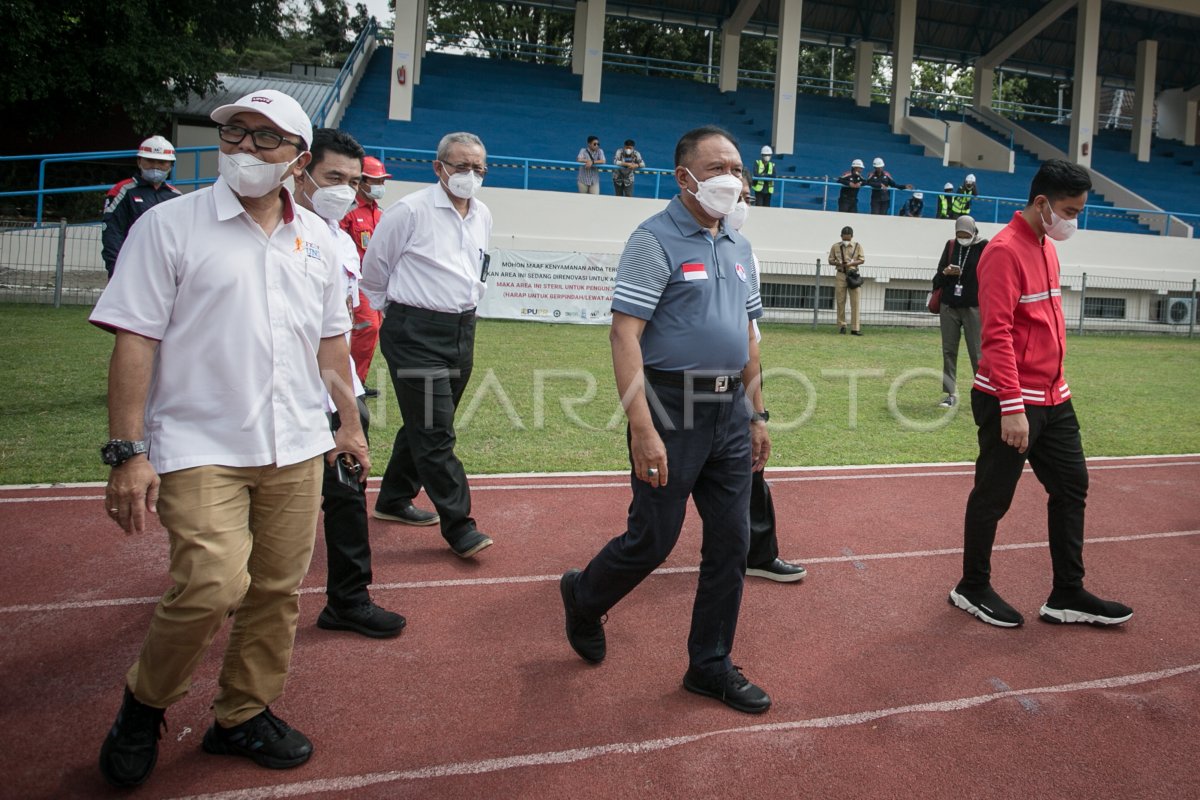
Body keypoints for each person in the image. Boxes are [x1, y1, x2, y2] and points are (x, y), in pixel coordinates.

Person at [91, 89, 369, 789]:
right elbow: (134, 338)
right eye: (236, 133)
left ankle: (241, 714)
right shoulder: (170, 226)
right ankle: (144, 704)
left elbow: (332, 349)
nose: (245, 148)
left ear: (299, 160)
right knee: (214, 583)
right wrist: (127, 452)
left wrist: (351, 428)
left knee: (276, 590)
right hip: (198, 440)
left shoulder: (319, 241)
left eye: (266, 139)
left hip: (297, 443)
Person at [559, 126, 773, 714]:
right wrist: (641, 426)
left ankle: (709, 665)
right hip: (670, 408)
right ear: (684, 178)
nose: (734, 178)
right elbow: (624, 333)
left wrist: (757, 413)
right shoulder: (654, 239)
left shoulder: (738, 243)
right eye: (718, 167)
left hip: (730, 412)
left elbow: (750, 335)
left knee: (732, 544)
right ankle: (584, 595)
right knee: (653, 538)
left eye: (738, 166)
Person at [949, 158, 1132, 629]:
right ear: (1042, 203)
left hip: (1055, 398)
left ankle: (1067, 593)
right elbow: (998, 335)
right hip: (1010, 400)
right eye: (1070, 211)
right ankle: (971, 586)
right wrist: (1012, 407)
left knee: (1072, 487)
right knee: (993, 497)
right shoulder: (1004, 251)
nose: (1073, 221)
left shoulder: (1046, 246)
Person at [294, 129, 406, 639]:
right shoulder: (268, 232)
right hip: (272, 399)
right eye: (333, 177)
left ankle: (348, 599)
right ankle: (236, 589)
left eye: (353, 180)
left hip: (334, 393)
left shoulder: (340, 239)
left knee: (345, 501)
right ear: (301, 170)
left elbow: (337, 329)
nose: (345, 189)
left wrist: (350, 408)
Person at [361, 132, 493, 558]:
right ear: (439, 168)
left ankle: (393, 498)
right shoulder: (410, 211)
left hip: (461, 331)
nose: (469, 175)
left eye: (478, 168)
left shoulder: (483, 215)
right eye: (460, 166)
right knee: (436, 432)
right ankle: (461, 526)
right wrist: (402, 318)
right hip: (414, 332)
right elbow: (374, 273)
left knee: (426, 423)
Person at [733, 172, 807, 583]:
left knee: (751, 468)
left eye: (748, 196)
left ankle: (757, 552)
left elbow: (750, 337)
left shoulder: (748, 254)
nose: (742, 204)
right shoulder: (663, 243)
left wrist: (757, 413)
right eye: (736, 195)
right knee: (663, 502)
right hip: (680, 385)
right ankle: (640, 548)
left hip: (737, 376)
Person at [341, 155, 391, 396]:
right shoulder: (347, 212)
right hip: (355, 282)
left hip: (374, 284)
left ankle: (357, 380)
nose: (379, 186)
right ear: (360, 182)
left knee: (371, 332)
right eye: (375, 181)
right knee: (366, 328)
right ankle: (350, 382)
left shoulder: (379, 214)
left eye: (382, 181)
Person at [101, 136, 182, 278]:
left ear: (171, 165)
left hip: (165, 273)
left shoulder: (176, 196)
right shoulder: (123, 191)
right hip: (130, 270)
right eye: (150, 161)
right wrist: (117, 271)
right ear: (139, 161)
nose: (156, 166)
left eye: (162, 162)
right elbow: (112, 233)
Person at [932, 215, 986, 408]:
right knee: (948, 350)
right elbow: (937, 278)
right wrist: (946, 273)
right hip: (949, 306)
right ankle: (950, 394)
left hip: (973, 307)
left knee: (977, 352)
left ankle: (982, 395)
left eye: (966, 234)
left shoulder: (984, 247)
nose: (962, 237)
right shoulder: (951, 246)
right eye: (959, 234)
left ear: (973, 231)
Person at [828, 225, 864, 336]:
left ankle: (855, 328)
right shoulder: (835, 246)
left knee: (856, 302)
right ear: (841, 236)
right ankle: (842, 326)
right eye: (844, 238)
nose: (846, 241)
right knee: (840, 301)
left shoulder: (857, 246)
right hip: (840, 275)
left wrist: (851, 263)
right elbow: (830, 260)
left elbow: (862, 260)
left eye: (848, 239)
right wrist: (837, 263)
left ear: (852, 237)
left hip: (853, 275)